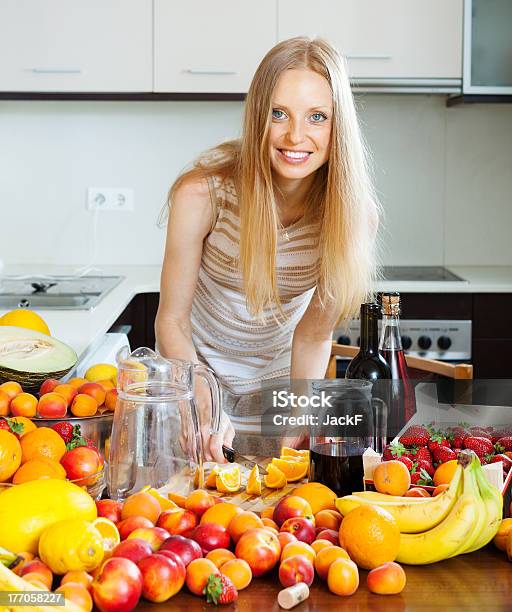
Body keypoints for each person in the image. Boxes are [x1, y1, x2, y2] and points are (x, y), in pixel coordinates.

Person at [155, 37, 380, 463]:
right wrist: (201, 400)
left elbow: (314, 334)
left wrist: (299, 412)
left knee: (269, 508)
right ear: (258, 115)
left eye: (317, 117)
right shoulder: (203, 194)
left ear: (339, 126)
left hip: (278, 380)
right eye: (279, 114)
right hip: (193, 369)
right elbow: (172, 319)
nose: (296, 136)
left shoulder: (353, 217)